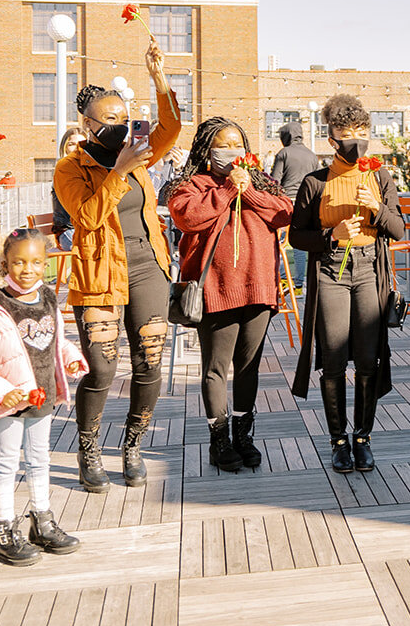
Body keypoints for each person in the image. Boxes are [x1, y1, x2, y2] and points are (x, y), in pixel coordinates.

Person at [54, 45, 181, 492]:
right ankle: (88, 449)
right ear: (87, 125)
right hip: (100, 271)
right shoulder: (70, 167)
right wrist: (119, 172)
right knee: (102, 370)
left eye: (123, 117)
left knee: (149, 362)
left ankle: (133, 446)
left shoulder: (140, 150)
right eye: (108, 119)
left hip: (148, 264)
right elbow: (85, 218)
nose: (119, 125)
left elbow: (172, 126)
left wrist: (159, 78)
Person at [0, 228, 86, 565]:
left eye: (36, 262)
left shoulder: (49, 298)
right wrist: (2, 392)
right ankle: (4, 531)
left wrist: (69, 354)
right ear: (5, 263)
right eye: (19, 262)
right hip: (9, 401)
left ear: (46, 263)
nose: (28, 269)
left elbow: (53, 338)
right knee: (7, 462)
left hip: (43, 395)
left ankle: (41, 520)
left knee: (40, 459)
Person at [288, 94, 406, 473]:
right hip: (331, 271)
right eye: (345, 131)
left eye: (361, 130)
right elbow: (296, 237)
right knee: (335, 357)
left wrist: (375, 205)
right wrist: (331, 235)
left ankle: (363, 437)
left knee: (369, 358)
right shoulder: (315, 182)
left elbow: (398, 230)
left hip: (370, 270)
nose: (354, 137)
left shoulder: (380, 177)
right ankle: (338, 440)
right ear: (331, 137)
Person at [167, 117, 293, 472]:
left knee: (250, 367)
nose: (232, 151)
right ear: (208, 151)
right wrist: (225, 191)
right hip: (216, 290)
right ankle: (218, 439)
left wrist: (247, 189)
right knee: (216, 368)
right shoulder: (191, 185)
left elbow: (285, 213)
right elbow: (189, 219)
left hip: (258, 288)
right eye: (223, 145)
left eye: (237, 144)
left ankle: (243, 434)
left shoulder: (262, 184)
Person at [270, 123, 321, 293]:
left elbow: (274, 181)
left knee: (278, 243)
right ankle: (299, 285)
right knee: (299, 245)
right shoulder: (312, 155)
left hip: (286, 203)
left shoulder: (283, 153)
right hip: (306, 204)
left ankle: (284, 281)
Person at [50, 127, 82, 251]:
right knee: (90, 249)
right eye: (72, 144)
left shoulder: (90, 171)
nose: (77, 148)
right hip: (68, 231)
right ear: (65, 148)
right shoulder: (63, 171)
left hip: (85, 229)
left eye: (81, 143)